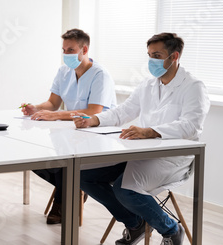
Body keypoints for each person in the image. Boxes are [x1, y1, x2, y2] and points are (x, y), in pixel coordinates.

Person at [73, 33, 210, 245]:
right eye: (149, 55)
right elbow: (123, 111)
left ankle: (171, 229)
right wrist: (94, 120)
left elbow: (191, 126)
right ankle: (135, 223)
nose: (151, 61)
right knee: (82, 176)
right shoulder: (148, 85)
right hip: (140, 153)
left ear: (174, 56)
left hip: (172, 158)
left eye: (157, 55)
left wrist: (151, 131)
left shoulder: (193, 86)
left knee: (125, 189)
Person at [21, 29, 117, 224]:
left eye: (71, 49)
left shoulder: (100, 74)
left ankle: (63, 202)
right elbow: (53, 103)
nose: (66, 54)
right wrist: (36, 108)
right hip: (73, 130)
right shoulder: (63, 71)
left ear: (84, 49)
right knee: (35, 161)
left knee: (63, 164)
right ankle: (73, 191)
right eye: (64, 50)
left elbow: (94, 111)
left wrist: (54, 116)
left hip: (98, 131)